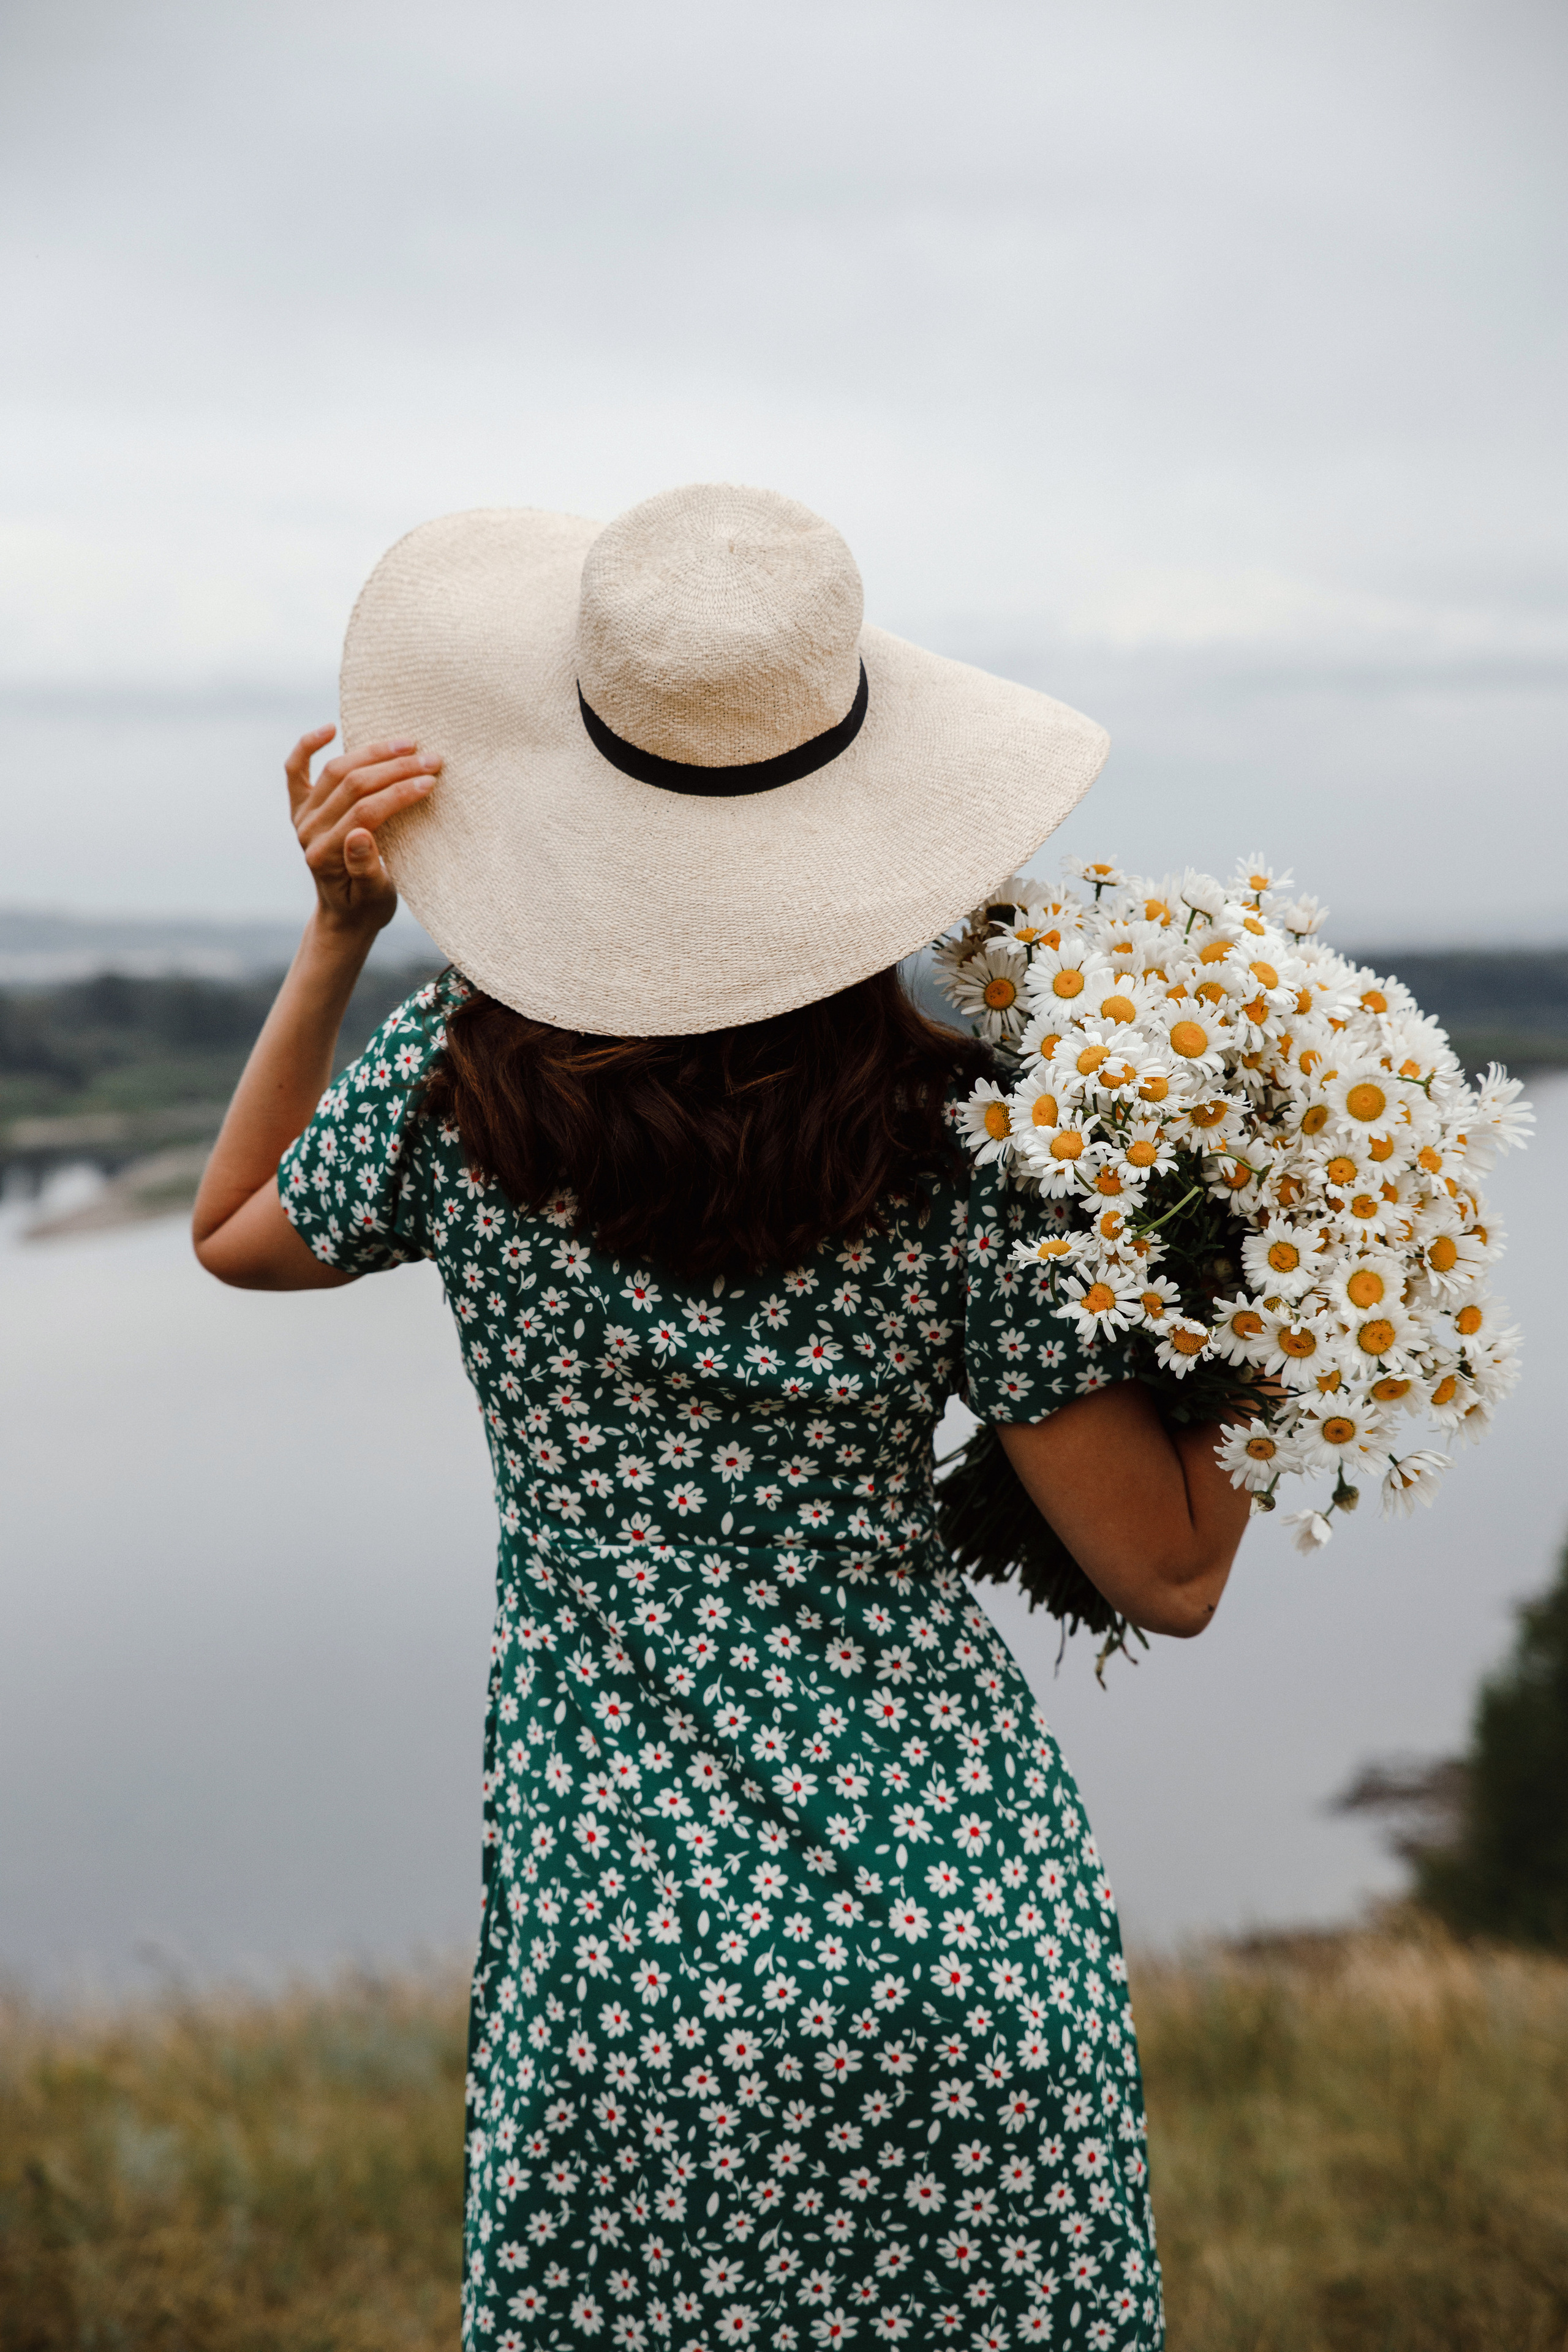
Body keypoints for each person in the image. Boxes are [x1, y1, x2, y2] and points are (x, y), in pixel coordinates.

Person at [194, 484, 1250, 2352]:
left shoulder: (457, 1101)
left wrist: (339, 934)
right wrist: (1272, 1304)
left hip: (628, 1977)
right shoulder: (964, 1157)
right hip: (959, 1938)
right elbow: (1164, 1573)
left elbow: (234, 1236)